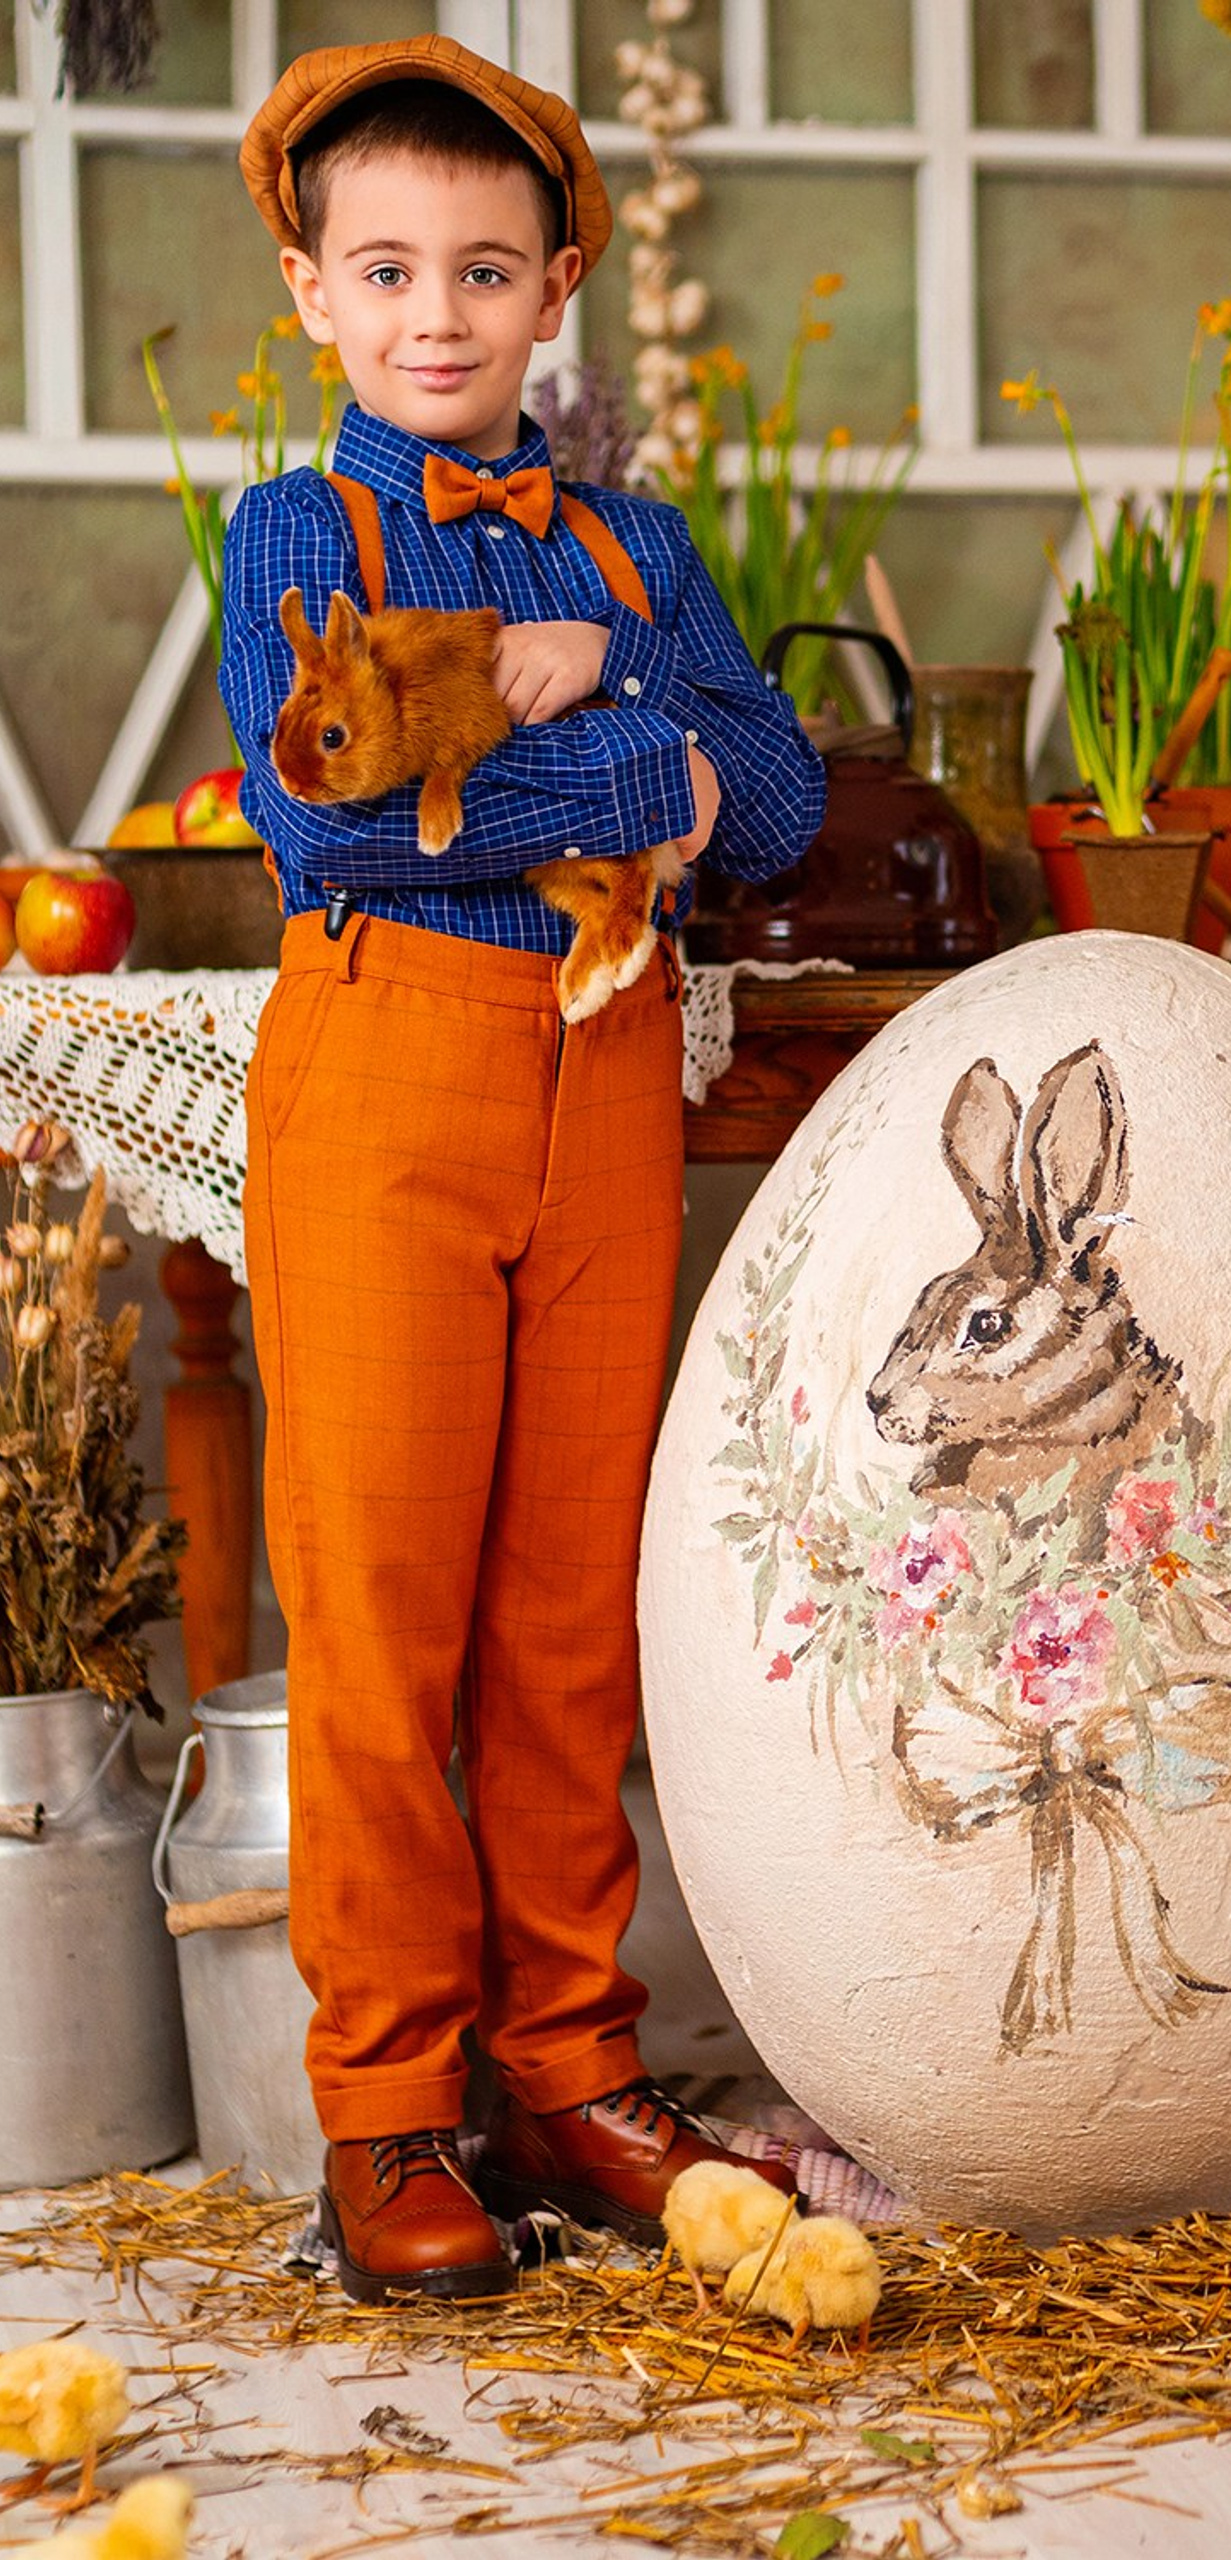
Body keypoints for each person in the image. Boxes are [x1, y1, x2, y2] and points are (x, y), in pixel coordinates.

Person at [219, 37, 824, 2304]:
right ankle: (389, 2105)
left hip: (602, 1081)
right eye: (387, 271)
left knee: (571, 1608)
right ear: (312, 289)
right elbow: (331, 813)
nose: (438, 316)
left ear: (558, 284)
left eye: (483, 270)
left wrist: (596, 684)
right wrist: (613, 737)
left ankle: (567, 2061)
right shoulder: (304, 531)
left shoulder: (630, 545)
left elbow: (769, 804)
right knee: (380, 1602)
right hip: (388, 1054)